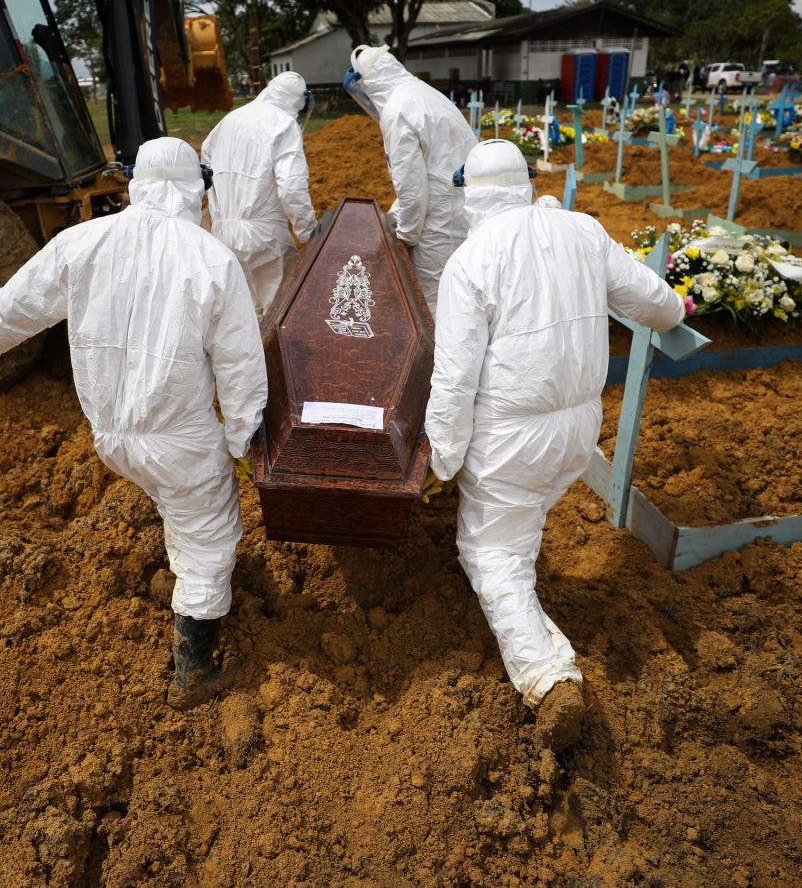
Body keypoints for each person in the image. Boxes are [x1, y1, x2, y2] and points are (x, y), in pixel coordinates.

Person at [0, 136, 266, 709]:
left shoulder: (82, 242)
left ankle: (186, 581)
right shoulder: (210, 258)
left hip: (108, 436)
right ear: (195, 188)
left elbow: (19, 303)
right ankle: (194, 671)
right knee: (207, 537)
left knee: (169, 501)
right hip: (179, 440)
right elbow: (241, 364)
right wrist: (246, 442)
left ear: (137, 182)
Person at [423, 139, 685, 751]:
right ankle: (538, 614)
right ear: (525, 182)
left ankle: (547, 678)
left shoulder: (471, 260)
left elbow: (454, 378)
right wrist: (677, 312)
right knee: (524, 522)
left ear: (471, 195)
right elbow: (652, 299)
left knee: (488, 552)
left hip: (511, 438)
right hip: (577, 432)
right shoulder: (582, 231)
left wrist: (440, 460)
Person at [344, 44, 477, 314]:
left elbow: (413, 189)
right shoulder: (424, 93)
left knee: (435, 307)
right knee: (463, 298)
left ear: (368, 83)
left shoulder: (397, 111)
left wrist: (403, 236)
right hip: (463, 210)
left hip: (439, 223)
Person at [200, 71, 319, 316]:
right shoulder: (283, 124)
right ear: (297, 101)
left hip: (224, 234)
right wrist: (308, 234)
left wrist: (220, 215)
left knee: (241, 316)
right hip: (265, 236)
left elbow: (207, 167)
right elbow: (291, 188)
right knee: (280, 313)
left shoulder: (228, 120)